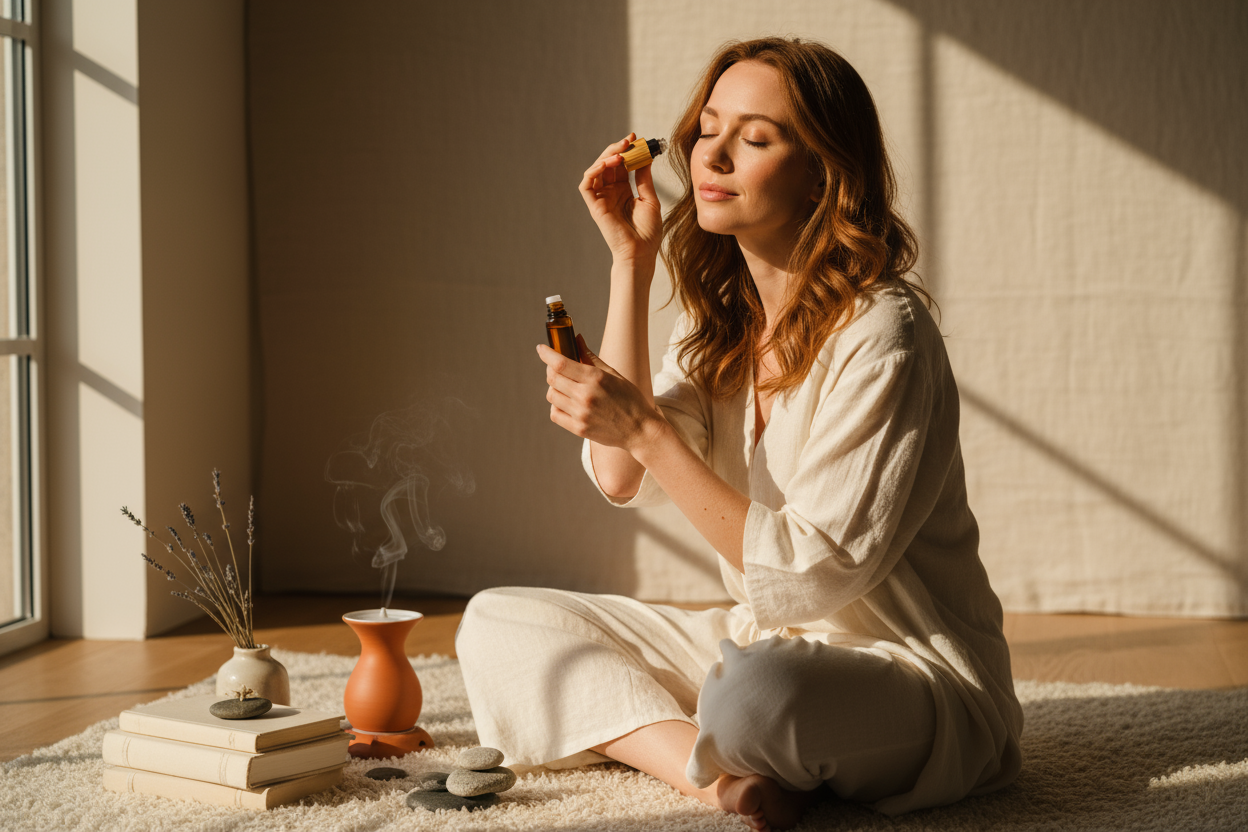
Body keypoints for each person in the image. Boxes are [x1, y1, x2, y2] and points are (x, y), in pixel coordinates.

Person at [456, 37, 1023, 831]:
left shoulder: (885, 332)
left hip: (908, 673)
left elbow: (816, 575)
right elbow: (621, 475)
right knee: (499, 620)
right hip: (762, 640)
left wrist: (649, 431)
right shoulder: (729, 327)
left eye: (755, 139)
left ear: (823, 173)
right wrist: (631, 259)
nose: (712, 155)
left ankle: (719, 741)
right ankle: (723, 786)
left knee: (756, 695)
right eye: (708, 129)